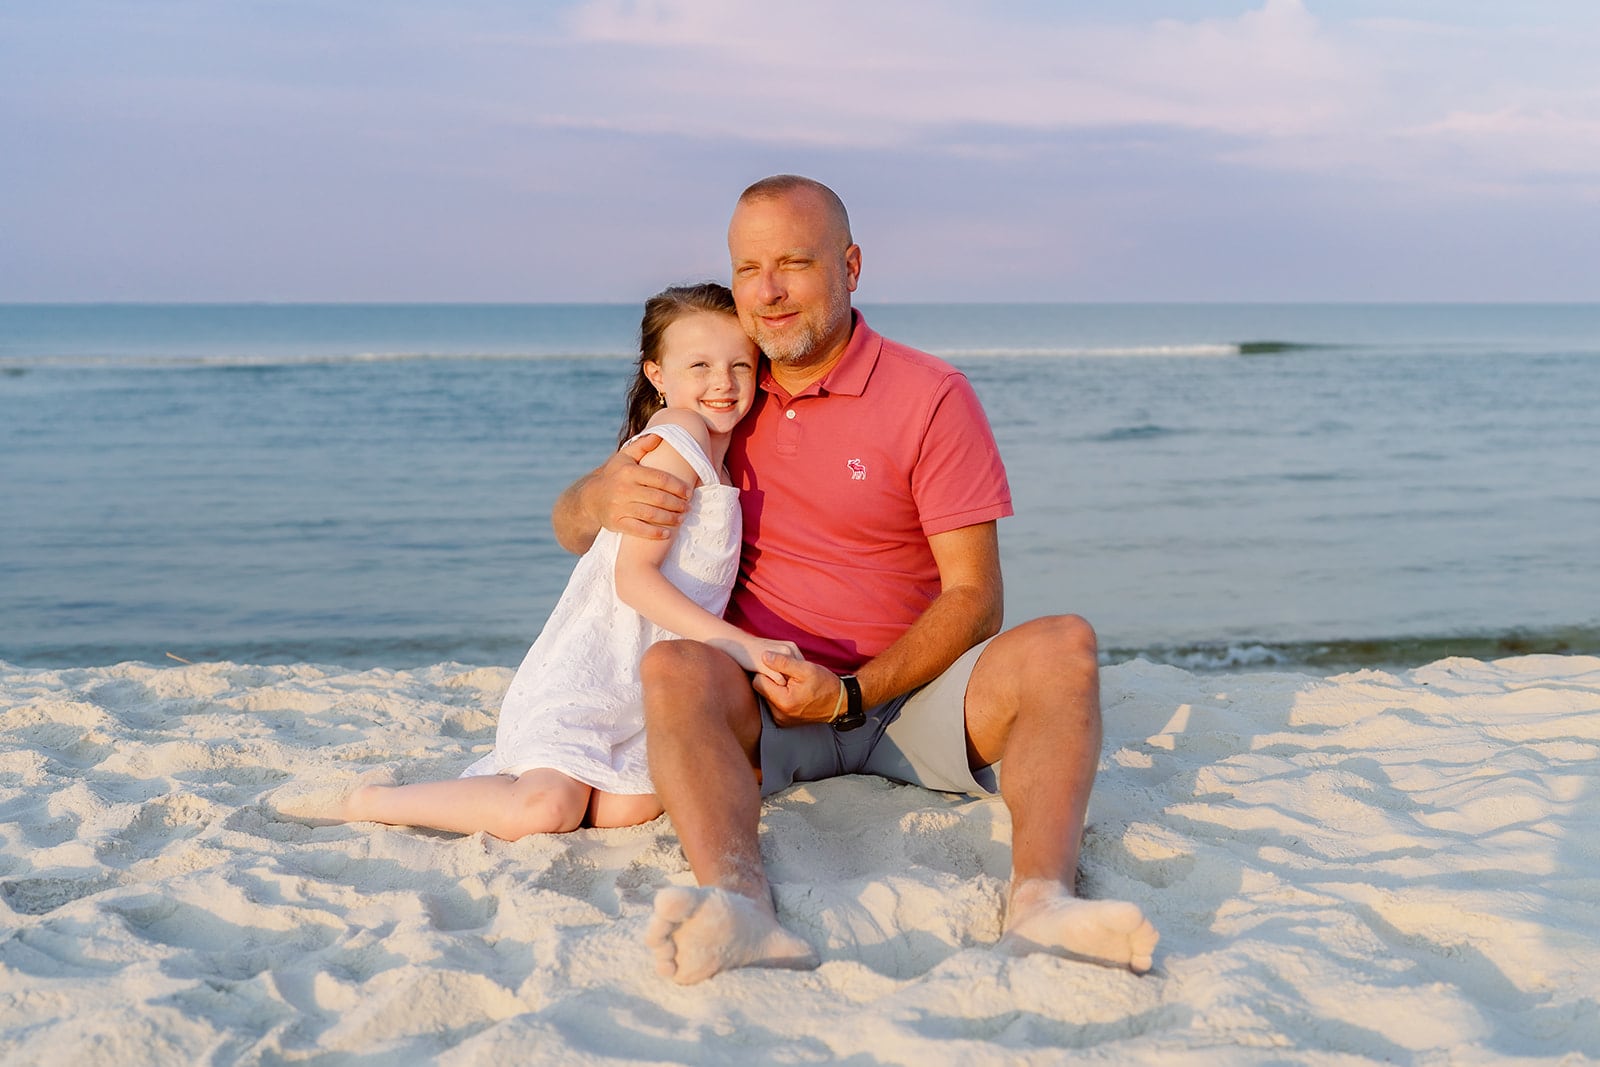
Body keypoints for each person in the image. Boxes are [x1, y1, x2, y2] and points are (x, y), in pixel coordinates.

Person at [554, 175, 1159, 984]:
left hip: (916, 700)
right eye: (747, 268)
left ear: (851, 266)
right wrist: (595, 492)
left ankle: (1043, 900)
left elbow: (976, 596)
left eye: (794, 263)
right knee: (671, 667)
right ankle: (741, 908)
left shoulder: (932, 396)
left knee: (1064, 644)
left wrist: (851, 693)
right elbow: (573, 530)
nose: (767, 293)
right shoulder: (723, 390)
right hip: (769, 699)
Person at [314, 283, 800, 839]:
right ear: (657, 376)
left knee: (624, 811)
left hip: (646, 683)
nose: (723, 381)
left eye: (740, 364)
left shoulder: (722, 450)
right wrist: (745, 647)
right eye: (700, 364)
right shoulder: (682, 434)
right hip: (596, 669)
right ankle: (369, 801)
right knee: (548, 811)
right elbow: (633, 579)